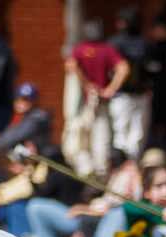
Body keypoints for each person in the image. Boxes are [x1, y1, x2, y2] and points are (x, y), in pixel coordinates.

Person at [64, 19, 127, 175]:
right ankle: (98, 172)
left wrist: (86, 84)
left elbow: (71, 66)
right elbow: (123, 68)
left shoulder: (81, 49)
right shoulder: (106, 49)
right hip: (93, 103)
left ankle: (89, 173)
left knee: (83, 140)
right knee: (99, 138)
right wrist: (110, 89)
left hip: (89, 103)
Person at [108, 9, 152, 162]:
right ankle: (121, 164)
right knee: (121, 132)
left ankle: (132, 164)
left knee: (136, 133)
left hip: (139, 94)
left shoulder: (142, 43)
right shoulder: (115, 43)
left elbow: (148, 67)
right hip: (122, 95)